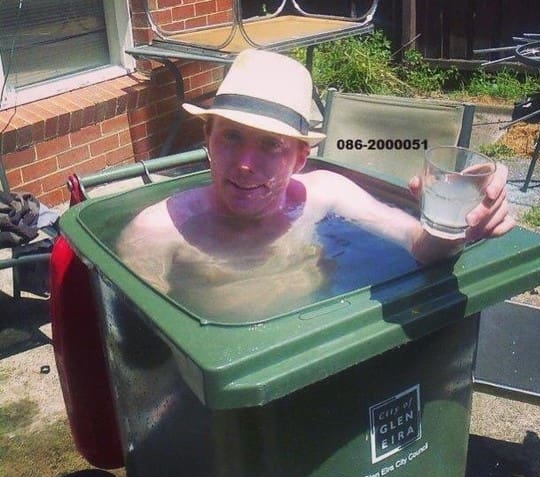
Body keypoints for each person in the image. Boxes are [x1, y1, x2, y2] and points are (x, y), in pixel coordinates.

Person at [117, 49, 514, 321]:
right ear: (208, 138)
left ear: (300, 158)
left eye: (271, 144)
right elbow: (141, 349)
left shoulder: (325, 194)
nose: (245, 164)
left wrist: (456, 218)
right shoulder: (159, 231)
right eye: (231, 136)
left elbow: (420, 247)